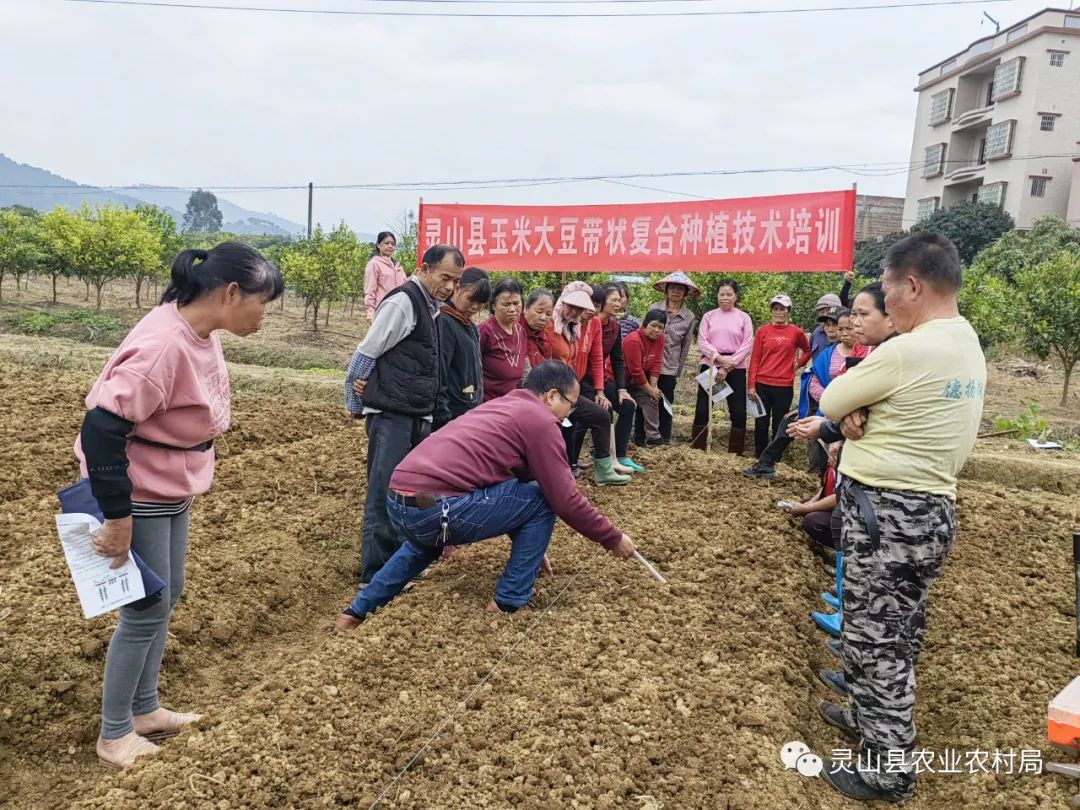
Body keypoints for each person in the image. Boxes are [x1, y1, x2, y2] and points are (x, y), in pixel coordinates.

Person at [74, 242, 283, 769]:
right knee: (144, 610)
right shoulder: (164, 346)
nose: (266, 315)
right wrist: (118, 518)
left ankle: (144, 710)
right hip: (137, 492)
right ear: (232, 293)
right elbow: (101, 428)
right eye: (264, 303)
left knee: (168, 597)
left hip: (170, 485)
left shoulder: (199, 330)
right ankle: (114, 734)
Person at [814, 234, 986, 804]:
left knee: (876, 639)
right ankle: (866, 720)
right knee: (896, 629)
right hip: (928, 509)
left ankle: (888, 767)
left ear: (912, 286)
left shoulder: (909, 349)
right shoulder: (964, 341)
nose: (883, 302)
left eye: (885, 289)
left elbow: (831, 400)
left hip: (890, 514)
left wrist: (854, 408)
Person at [334, 361, 638, 629]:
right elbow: (563, 498)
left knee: (424, 544)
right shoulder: (541, 421)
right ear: (552, 396)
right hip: (437, 509)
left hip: (405, 500)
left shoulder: (503, 406)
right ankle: (509, 600)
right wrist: (611, 538)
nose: (569, 414)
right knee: (543, 498)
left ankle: (357, 610)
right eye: (570, 405)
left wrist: (529, 546)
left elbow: (508, 493)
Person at [345, 244, 464, 584]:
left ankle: (399, 567)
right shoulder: (403, 302)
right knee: (385, 492)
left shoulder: (433, 308)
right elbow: (365, 354)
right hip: (392, 415)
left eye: (455, 281)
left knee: (409, 493)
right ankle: (376, 574)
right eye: (445, 278)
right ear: (424, 268)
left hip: (414, 414)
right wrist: (355, 402)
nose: (450, 287)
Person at [549, 281, 630, 485]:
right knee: (565, 426)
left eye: (585, 307)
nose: (578, 312)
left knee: (601, 415)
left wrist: (600, 391)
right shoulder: (551, 325)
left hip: (571, 388)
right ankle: (562, 471)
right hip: (551, 391)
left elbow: (596, 358)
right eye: (573, 306)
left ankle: (602, 470)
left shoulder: (576, 326)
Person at [583, 284, 641, 473]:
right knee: (604, 409)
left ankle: (620, 456)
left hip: (600, 379)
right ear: (601, 303)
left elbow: (617, 360)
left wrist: (621, 389)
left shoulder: (614, 326)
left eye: (620, 299)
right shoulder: (588, 323)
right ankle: (605, 459)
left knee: (628, 405)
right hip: (582, 380)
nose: (619, 303)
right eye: (614, 300)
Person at [691, 279, 754, 454]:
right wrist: (718, 358)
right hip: (710, 365)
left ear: (736, 296)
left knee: (738, 411)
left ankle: (735, 453)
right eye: (722, 294)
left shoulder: (744, 317)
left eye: (729, 294)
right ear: (717, 296)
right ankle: (697, 449)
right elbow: (702, 341)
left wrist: (727, 366)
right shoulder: (708, 316)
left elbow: (747, 344)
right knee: (703, 408)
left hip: (736, 368)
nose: (725, 298)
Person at [747, 294, 810, 458]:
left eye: (782, 309)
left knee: (778, 424)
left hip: (784, 385)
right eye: (775, 308)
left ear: (788, 311)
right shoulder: (763, 331)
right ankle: (759, 456)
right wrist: (751, 385)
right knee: (761, 423)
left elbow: (807, 350)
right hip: (762, 383)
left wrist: (799, 363)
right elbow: (755, 358)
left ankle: (774, 458)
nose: (778, 312)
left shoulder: (796, 332)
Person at [434, 267, 491, 430]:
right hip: (451, 416)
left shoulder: (468, 325)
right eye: (471, 299)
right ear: (457, 288)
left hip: (464, 412)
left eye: (480, 303)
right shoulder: (445, 322)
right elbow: (440, 375)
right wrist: (443, 417)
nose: (475, 307)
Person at [647, 271, 698, 445]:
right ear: (666, 290)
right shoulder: (654, 308)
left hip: (670, 366)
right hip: (650, 362)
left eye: (680, 289)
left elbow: (685, 346)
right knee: (646, 399)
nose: (675, 291)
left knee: (666, 402)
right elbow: (644, 335)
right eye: (672, 287)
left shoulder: (689, 316)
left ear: (685, 293)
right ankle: (644, 436)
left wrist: (678, 370)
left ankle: (665, 437)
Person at [623, 309, 667, 447]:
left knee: (653, 398)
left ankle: (653, 437)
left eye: (660, 327)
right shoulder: (633, 340)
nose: (656, 330)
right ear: (645, 324)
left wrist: (653, 387)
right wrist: (649, 389)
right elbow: (635, 371)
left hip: (637, 382)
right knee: (627, 406)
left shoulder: (660, 339)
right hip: (619, 381)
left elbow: (656, 363)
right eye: (653, 325)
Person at [479, 278, 527, 401]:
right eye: (506, 304)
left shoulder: (520, 332)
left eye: (516, 303)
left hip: (511, 403)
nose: (512, 309)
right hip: (487, 404)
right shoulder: (485, 331)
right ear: (494, 305)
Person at [809, 270, 856, 357]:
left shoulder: (850, 336)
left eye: (827, 310)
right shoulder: (816, 334)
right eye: (821, 311)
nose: (824, 313)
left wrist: (847, 283)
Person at [363, 231, 408, 320]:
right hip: (382, 309)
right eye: (387, 243)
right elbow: (370, 290)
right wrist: (370, 311)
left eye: (393, 244)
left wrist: (414, 277)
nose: (390, 246)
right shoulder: (374, 264)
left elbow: (404, 284)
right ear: (379, 245)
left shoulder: (398, 266)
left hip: (398, 309)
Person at [521, 288, 555, 374]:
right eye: (539, 311)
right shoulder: (513, 331)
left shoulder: (546, 337)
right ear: (525, 308)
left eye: (548, 314)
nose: (543, 318)